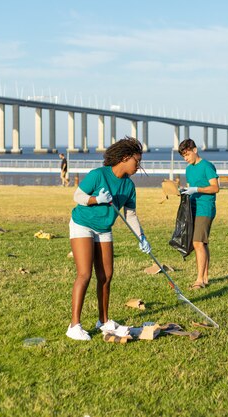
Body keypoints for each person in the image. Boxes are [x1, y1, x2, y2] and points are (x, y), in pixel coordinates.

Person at [66, 137, 151, 341]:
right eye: (136, 162)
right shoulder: (98, 175)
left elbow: (130, 215)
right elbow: (77, 196)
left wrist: (142, 237)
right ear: (124, 158)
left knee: (106, 276)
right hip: (83, 224)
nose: (138, 166)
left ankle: (103, 321)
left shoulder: (129, 187)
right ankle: (74, 325)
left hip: (104, 228)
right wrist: (96, 200)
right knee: (85, 274)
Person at [178, 139, 220, 289]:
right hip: (193, 208)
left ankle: (199, 280)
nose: (186, 158)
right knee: (202, 243)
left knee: (197, 243)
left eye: (187, 154)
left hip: (205, 208)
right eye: (183, 156)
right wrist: (185, 191)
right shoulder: (189, 169)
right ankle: (205, 278)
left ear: (194, 150)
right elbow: (191, 187)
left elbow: (215, 188)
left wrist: (197, 189)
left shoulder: (207, 166)